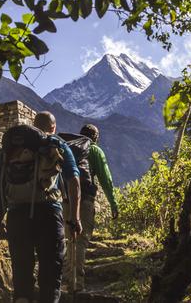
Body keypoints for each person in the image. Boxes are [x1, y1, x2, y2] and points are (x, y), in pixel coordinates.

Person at [0, 112, 81, 303]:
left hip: (17, 215)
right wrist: (74, 218)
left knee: (22, 272)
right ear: (53, 127)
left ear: (33, 125)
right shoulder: (56, 144)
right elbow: (74, 180)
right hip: (49, 213)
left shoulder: (11, 150)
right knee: (51, 272)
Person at [63, 123, 118, 292]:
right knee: (80, 240)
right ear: (95, 137)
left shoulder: (68, 148)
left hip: (66, 201)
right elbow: (105, 179)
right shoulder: (94, 150)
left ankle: (66, 279)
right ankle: (77, 283)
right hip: (85, 200)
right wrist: (113, 203)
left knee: (68, 239)